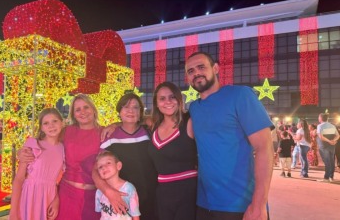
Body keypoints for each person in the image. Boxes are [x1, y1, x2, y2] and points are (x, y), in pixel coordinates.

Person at [184, 51, 273, 220]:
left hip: (240, 204)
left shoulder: (240, 95)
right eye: (190, 71)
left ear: (215, 68)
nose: (196, 73)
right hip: (204, 204)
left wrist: (259, 204)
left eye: (201, 67)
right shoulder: (194, 108)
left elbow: (264, 149)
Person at [22, 94, 103, 220]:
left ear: (93, 109)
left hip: (92, 196)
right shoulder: (67, 131)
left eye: (86, 107)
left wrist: (116, 124)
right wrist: (24, 151)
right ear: (73, 114)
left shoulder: (105, 132)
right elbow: (45, 141)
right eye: (78, 109)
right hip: (66, 194)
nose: (83, 112)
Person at [99, 93, 157, 220]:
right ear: (119, 111)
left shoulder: (149, 132)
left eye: (135, 107)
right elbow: (99, 168)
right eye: (126, 107)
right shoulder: (110, 137)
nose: (131, 110)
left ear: (140, 112)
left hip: (152, 196)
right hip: (124, 198)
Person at [147, 82, 197, 220]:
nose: (167, 102)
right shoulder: (153, 126)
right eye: (162, 99)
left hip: (188, 192)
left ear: (179, 99)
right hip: (162, 193)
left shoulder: (190, 121)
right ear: (156, 103)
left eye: (172, 97)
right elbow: (133, 122)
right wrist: (116, 124)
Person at [10, 108, 65, 220]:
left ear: (62, 123)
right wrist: (13, 211)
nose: (51, 126)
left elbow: (59, 181)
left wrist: (56, 199)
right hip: (30, 195)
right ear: (41, 127)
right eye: (46, 123)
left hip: (50, 196)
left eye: (55, 121)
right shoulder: (33, 144)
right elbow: (19, 179)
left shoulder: (63, 148)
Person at [94, 151, 141, 220]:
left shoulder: (129, 188)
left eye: (108, 163)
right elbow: (100, 213)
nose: (104, 167)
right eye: (100, 167)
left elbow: (135, 215)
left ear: (118, 166)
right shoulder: (99, 191)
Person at [316, 113, 338, 182]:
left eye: (319, 117)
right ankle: (331, 177)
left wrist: (329, 141)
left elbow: (321, 137)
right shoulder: (332, 126)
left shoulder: (320, 126)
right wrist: (333, 141)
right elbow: (338, 135)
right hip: (332, 146)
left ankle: (326, 178)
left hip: (324, 146)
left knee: (327, 162)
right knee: (331, 161)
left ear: (321, 118)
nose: (318, 118)